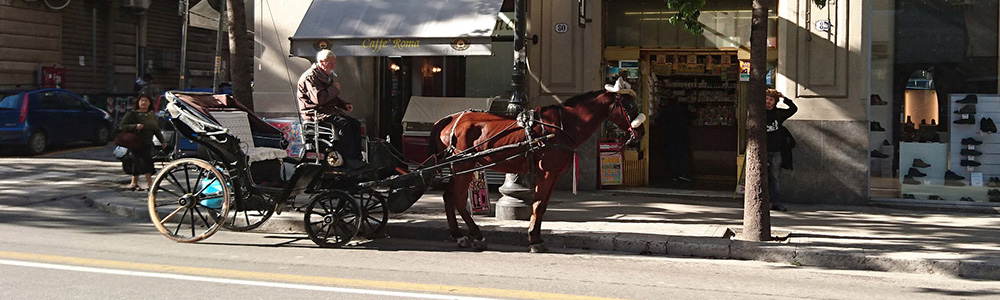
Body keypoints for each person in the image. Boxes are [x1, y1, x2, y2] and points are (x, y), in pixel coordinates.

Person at [296, 49, 364, 167]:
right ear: (322, 62)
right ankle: (347, 157)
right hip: (315, 113)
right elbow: (319, 99)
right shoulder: (310, 77)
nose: (333, 66)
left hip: (328, 111)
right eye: (331, 63)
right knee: (344, 124)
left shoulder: (325, 75)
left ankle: (356, 156)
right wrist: (334, 89)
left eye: (334, 63)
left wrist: (343, 104)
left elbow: (331, 97)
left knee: (355, 124)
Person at [119, 94, 166, 191]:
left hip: (147, 142)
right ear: (138, 102)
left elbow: (156, 129)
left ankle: (133, 183)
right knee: (146, 162)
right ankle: (150, 184)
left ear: (150, 103)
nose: (144, 103)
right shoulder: (132, 114)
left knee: (137, 162)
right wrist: (135, 126)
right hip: (135, 142)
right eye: (142, 101)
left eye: (146, 101)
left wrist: (162, 141)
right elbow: (122, 126)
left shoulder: (151, 114)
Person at [765, 89, 798, 211]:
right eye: (766, 99)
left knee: (774, 177)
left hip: (776, 151)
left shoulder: (778, 114)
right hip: (762, 150)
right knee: (761, 177)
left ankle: (776, 202)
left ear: (775, 102)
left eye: (771, 99)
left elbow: (793, 109)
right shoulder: (759, 113)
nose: (768, 102)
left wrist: (784, 98)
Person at [658, 96, 695, 182]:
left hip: (669, 136)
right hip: (681, 135)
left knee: (672, 156)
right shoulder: (681, 110)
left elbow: (659, 120)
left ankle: (674, 175)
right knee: (682, 155)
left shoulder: (665, 111)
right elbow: (692, 116)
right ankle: (682, 173)